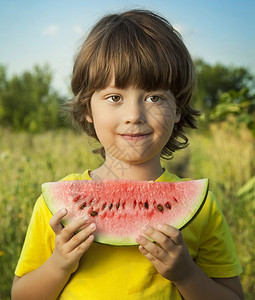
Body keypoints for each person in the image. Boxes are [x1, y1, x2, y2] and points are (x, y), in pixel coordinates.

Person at [12, 9, 244, 300]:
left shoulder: (203, 208)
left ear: (178, 110)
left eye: (154, 97)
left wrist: (186, 274)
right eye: (114, 97)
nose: (134, 115)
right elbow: (21, 295)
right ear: (87, 109)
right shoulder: (55, 210)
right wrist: (59, 265)